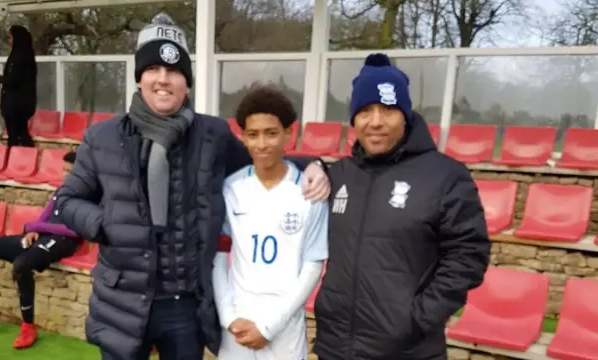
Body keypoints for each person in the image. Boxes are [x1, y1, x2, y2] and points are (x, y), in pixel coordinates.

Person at [54, 13, 330, 360]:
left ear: (187, 82)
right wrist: (104, 224)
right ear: (139, 78)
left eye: (174, 72)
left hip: (184, 308)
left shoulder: (211, 134)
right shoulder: (102, 137)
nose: (163, 80)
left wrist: (314, 165)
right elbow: (67, 201)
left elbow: (261, 158)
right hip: (122, 299)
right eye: (153, 69)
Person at [313, 53, 491, 360]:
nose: (376, 122)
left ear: (406, 115)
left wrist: (417, 318)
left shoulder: (446, 176)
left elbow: (468, 256)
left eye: (388, 110)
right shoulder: (339, 175)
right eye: (365, 111)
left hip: (407, 350)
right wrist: (310, 163)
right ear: (353, 119)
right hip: (336, 347)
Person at [212, 86, 328, 360]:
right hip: (237, 326)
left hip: (284, 329)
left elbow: (312, 268)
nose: (261, 144)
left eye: (271, 133)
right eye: (253, 135)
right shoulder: (231, 188)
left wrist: (269, 327)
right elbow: (219, 256)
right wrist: (228, 318)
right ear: (242, 137)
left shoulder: (311, 193)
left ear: (290, 133)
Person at [0, 151, 81, 349]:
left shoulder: (87, 196)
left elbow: (74, 230)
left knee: (21, 265)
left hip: (63, 242)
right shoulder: (60, 190)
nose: (65, 175)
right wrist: (34, 229)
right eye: (64, 170)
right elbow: (45, 216)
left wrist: (38, 228)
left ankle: (28, 327)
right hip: (43, 237)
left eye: (70, 171)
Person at [0, 25, 37, 148]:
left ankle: (16, 159)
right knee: (21, 133)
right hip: (22, 103)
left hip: (16, 104)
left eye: (10, 37)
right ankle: (22, 157)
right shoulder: (28, 55)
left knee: (16, 135)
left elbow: (14, 79)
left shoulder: (19, 57)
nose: (9, 40)